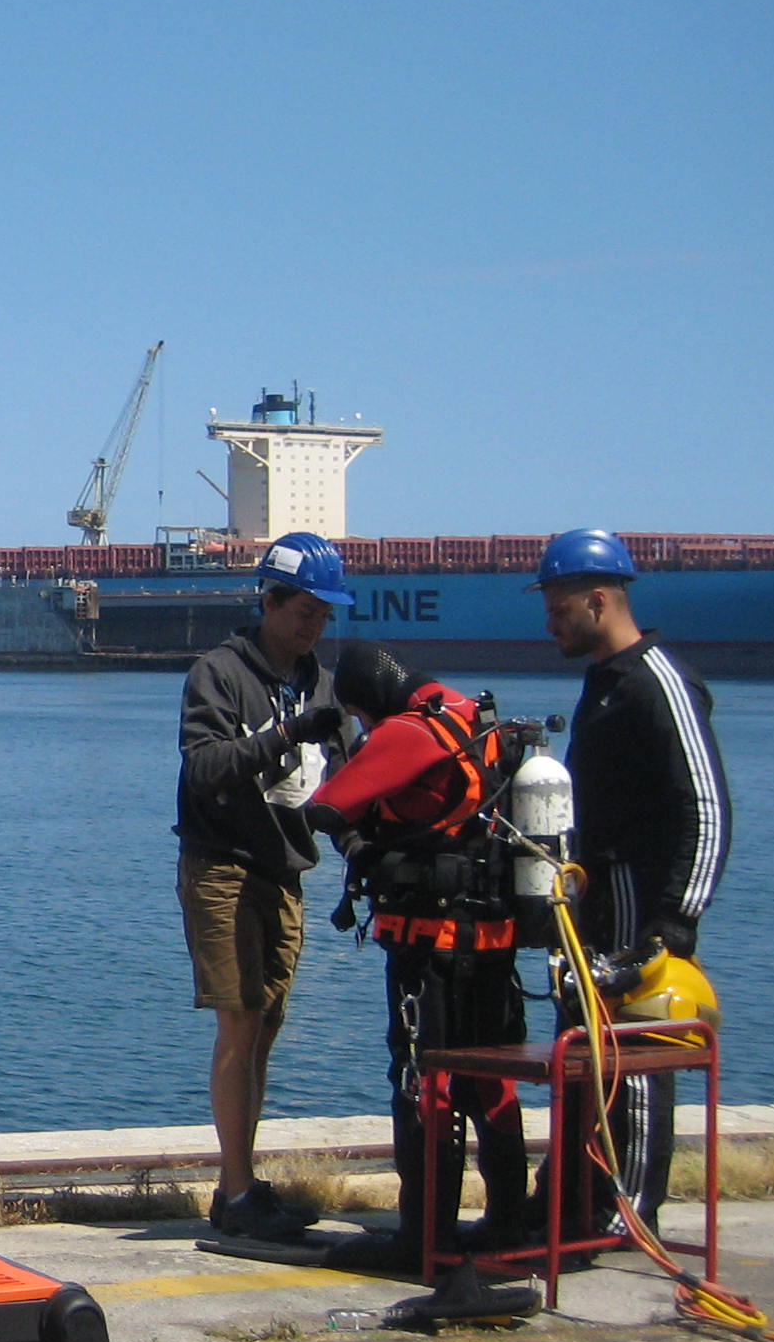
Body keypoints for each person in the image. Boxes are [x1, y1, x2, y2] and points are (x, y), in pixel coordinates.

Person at [307, 642, 535, 1266]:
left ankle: (424, 1236)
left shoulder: (407, 733)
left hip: (428, 943)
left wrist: (342, 755)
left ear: (370, 699)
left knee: (421, 1080)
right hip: (494, 940)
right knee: (491, 1078)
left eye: (360, 712)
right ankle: (506, 1223)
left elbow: (326, 807)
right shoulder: (475, 718)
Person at [535, 528, 730, 1236]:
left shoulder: (659, 684)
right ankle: (571, 1196)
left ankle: (629, 1209)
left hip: (640, 911)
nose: (550, 625)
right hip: (593, 909)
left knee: (637, 1061)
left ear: (598, 600)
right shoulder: (606, 685)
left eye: (559, 609)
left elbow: (706, 808)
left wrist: (672, 927)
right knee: (584, 1057)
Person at [174, 533, 350, 1243]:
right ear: (270, 602)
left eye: (325, 614)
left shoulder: (319, 681)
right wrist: (288, 732)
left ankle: (239, 1186)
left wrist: (359, 849)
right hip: (222, 866)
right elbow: (204, 768)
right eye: (306, 611)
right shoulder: (218, 674)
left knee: (266, 1027)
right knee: (240, 1021)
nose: (316, 626)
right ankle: (239, 1188)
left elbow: (340, 784)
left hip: (284, 870)